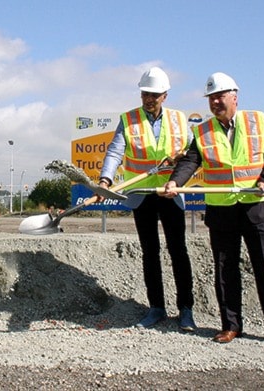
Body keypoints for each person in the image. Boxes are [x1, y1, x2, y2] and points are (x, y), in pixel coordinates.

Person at [163, 72, 264, 348]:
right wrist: (175, 181)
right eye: (211, 98)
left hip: (255, 208)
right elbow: (191, 161)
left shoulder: (256, 120)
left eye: (220, 96)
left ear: (235, 97)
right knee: (224, 271)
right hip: (221, 211)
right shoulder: (203, 131)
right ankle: (231, 326)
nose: (215, 102)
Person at [98, 67, 196, 331]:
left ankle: (186, 310)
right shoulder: (128, 119)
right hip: (141, 195)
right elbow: (116, 150)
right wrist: (105, 180)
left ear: (165, 95)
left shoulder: (178, 119)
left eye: (153, 94)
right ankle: (156, 308)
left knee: (179, 252)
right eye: (144, 93)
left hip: (170, 192)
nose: (148, 98)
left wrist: (181, 156)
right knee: (149, 253)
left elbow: (193, 150)